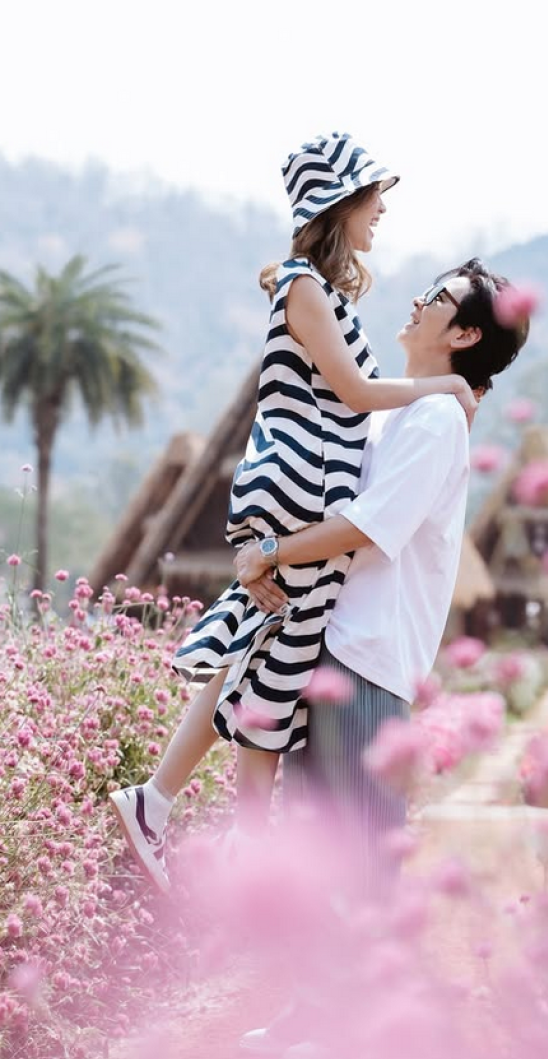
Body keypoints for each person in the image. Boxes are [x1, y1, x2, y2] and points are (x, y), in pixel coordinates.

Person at [110, 132, 478, 892]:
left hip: (305, 483)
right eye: (373, 200)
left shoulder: (314, 288)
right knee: (275, 648)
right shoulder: (308, 288)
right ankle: (205, 822)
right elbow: (357, 393)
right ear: (340, 205)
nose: (381, 213)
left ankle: (185, 813)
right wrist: (444, 385)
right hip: (300, 482)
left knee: (268, 644)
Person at [234, 255, 529, 1057]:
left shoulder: (434, 422)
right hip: (330, 643)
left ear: (464, 334)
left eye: (438, 298)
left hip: (368, 655)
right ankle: (314, 1010)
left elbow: (372, 524)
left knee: (362, 845)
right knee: (320, 838)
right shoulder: (396, 410)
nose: (418, 301)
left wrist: (271, 552)